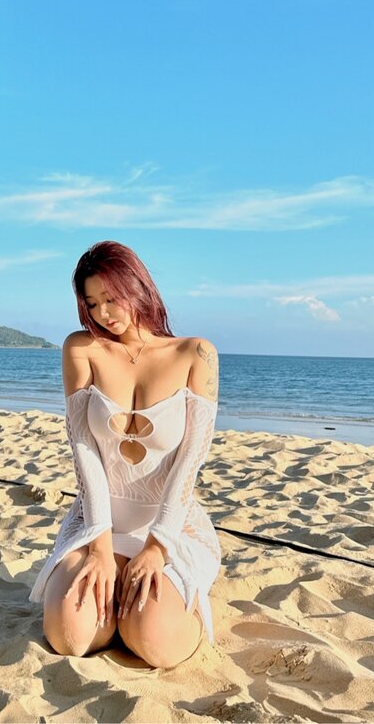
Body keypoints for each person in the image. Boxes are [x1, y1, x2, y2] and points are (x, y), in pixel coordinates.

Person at [29, 240, 221, 668]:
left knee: (153, 640)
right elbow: (84, 450)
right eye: (91, 304)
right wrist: (99, 546)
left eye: (111, 298)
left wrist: (157, 546)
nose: (103, 313)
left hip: (169, 528)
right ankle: (118, 605)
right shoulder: (82, 349)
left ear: (136, 286)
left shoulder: (196, 354)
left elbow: (189, 463)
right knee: (70, 637)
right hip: (98, 523)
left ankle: (164, 606)